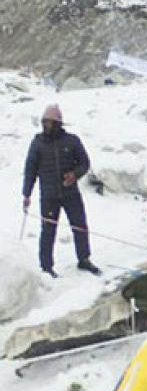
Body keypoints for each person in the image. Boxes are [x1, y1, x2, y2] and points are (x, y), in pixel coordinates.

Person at [22, 104, 99, 277]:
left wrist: (75, 174)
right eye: (44, 122)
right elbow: (30, 170)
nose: (46, 126)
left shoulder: (72, 141)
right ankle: (46, 266)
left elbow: (84, 163)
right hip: (49, 196)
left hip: (70, 193)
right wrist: (26, 194)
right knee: (48, 230)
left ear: (58, 123)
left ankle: (84, 259)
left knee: (79, 226)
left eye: (50, 122)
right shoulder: (37, 143)